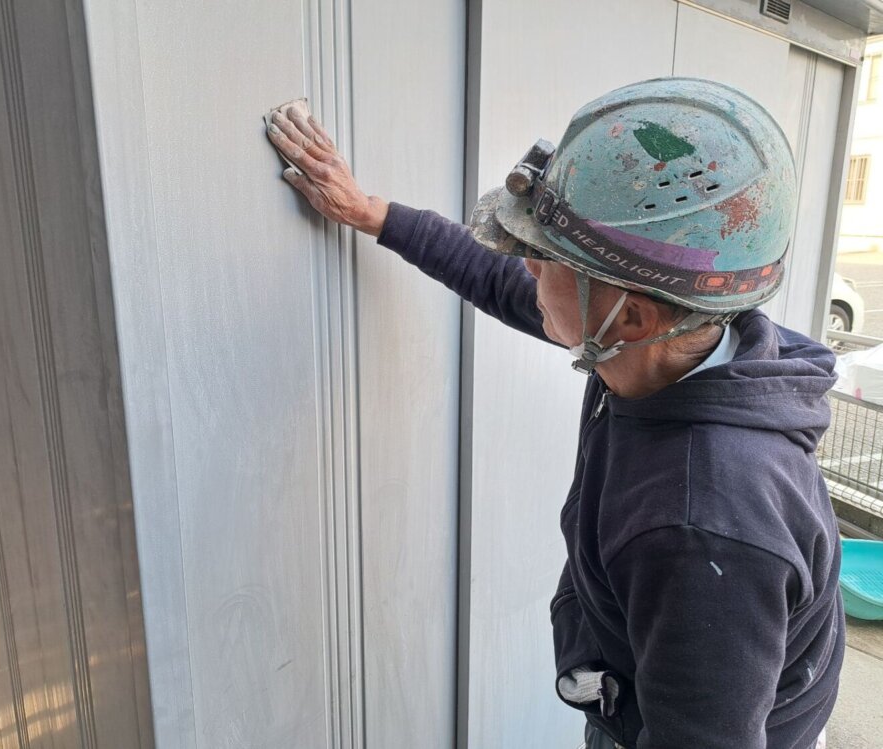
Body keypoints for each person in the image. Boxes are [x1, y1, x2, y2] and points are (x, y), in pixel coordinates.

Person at [266, 77, 843, 749]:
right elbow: (497, 281)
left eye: (545, 257)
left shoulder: (700, 528)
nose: (526, 267)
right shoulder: (673, 347)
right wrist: (371, 213)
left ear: (631, 316)